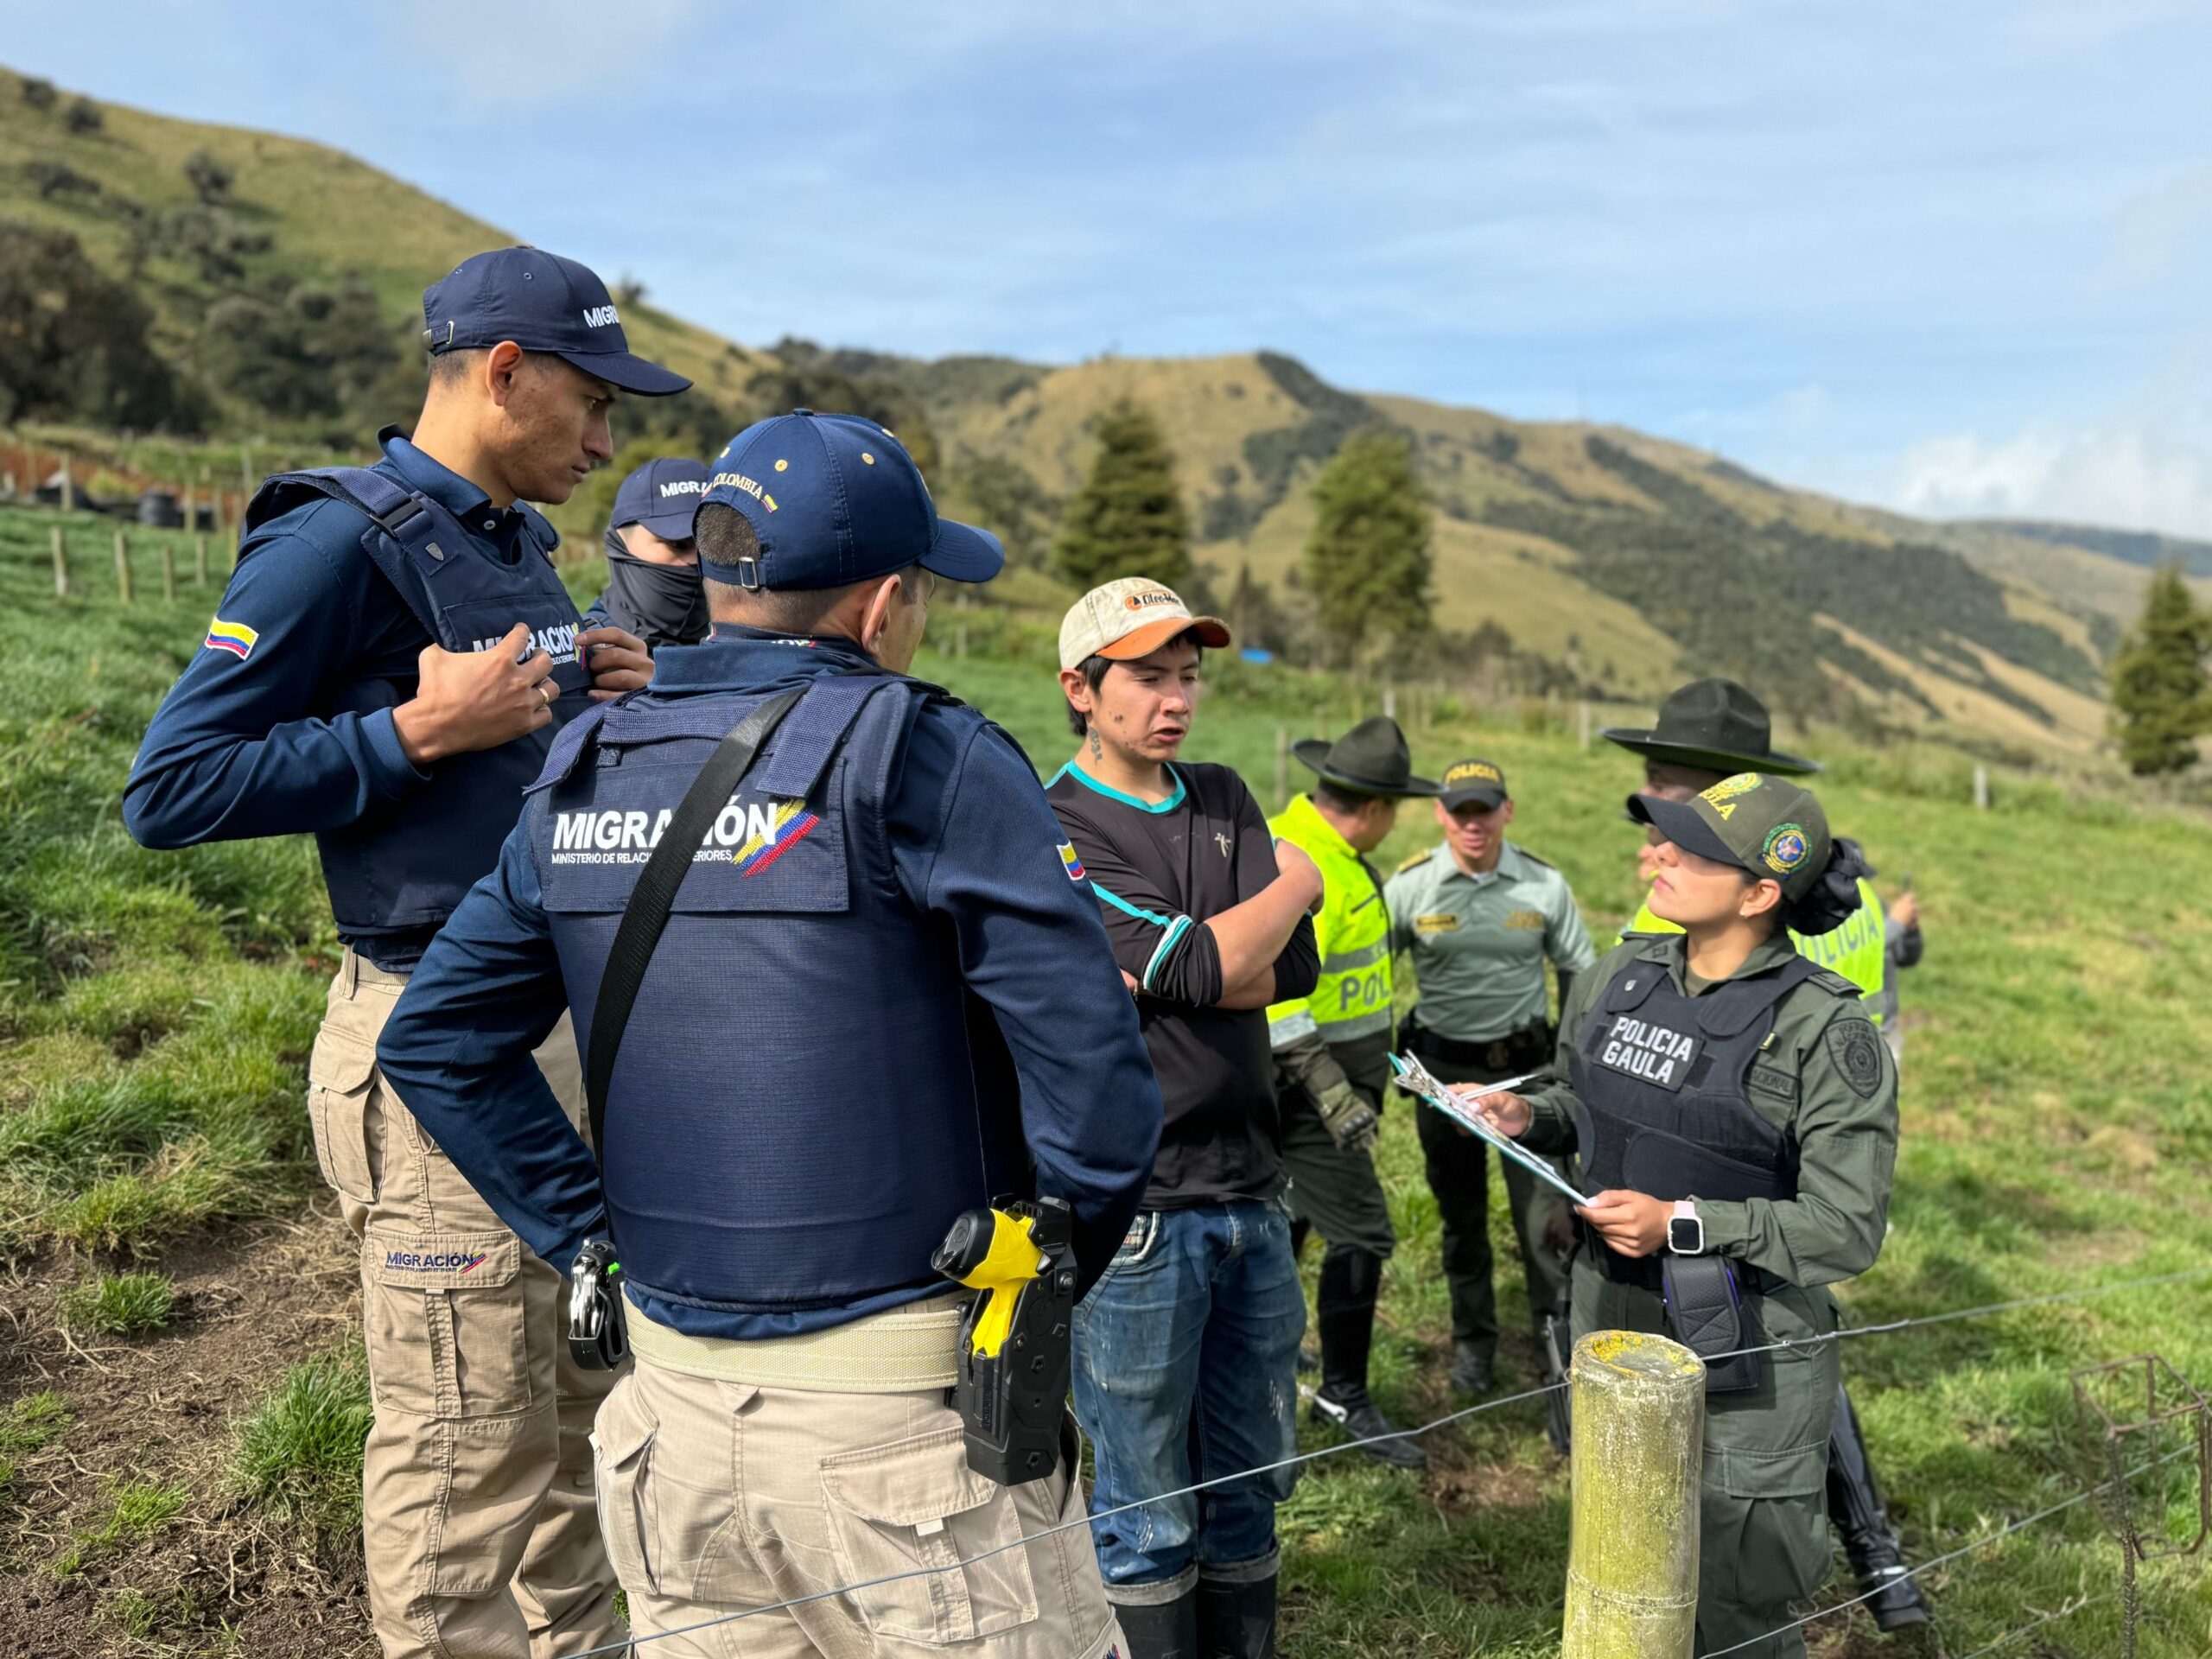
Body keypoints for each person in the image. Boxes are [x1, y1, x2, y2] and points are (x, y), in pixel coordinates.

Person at [376, 410, 1160, 1659]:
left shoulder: (586, 761)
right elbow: (1097, 1078)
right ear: (883, 603)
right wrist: (1046, 1274)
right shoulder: (924, 752)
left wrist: (589, 1236)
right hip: (912, 1445)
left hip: (667, 1432)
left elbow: (432, 1042)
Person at [124, 246, 686, 1659]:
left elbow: (514, 772)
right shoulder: (332, 542)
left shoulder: (514, 545)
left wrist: (592, 696)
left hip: (562, 1038)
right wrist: (412, 734)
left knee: (576, 1406)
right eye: (595, 402)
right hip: (434, 1048)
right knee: (464, 1439)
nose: (611, 441)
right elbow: (170, 789)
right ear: (504, 375)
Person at [1470, 772, 1897, 1659]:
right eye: (1666, 836)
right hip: (1611, 1318)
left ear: (1758, 892)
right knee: (1621, 1567)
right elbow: (1576, 1096)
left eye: (1692, 849)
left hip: (1746, 1349)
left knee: (1734, 1603)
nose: (1658, 855)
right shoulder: (1614, 978)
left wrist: (1683, 1223)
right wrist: (1529, 1114)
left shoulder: (1824, 1031)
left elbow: (1845, 1227)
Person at [1601, 679, 1929, 1630]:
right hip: (1752, 1180)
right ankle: (1871, 1550)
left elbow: (1828, 1047)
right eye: (1657, 784)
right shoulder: (1829, 887)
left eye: (1679, 788)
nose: (1661, 819)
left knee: (1785, 1359)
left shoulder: (1731, 907)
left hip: (1763, 1186)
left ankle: (1848, 1546)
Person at [1047, 577, 1321, 1659]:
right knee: (1147, 1495)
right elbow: (1196, 960)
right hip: (1141, 1205)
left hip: (1253, 1188)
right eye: (1148, 677)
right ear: (1082, 687)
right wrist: (1289, 882)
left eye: (1188, 676)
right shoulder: (1054, 823)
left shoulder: (1219, 792)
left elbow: (1273, 972)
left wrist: (1227, 947)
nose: (1175, 700)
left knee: (1251, 1475)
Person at [1385, 756, 1594, 1400]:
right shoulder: (1411, 887)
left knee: (1546, 1221)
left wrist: (1573, 1068)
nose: (1473, 823)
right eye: (1460, 811)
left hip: (1525, 1081)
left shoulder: (1542, 884)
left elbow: (1581, 975)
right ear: (1441, 815)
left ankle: (1558, 1350)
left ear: (1507, 811)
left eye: (1485, 809)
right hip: (1444, 1082)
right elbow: (1363, 972)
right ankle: (1474, 1346)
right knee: (1461, 1221)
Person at [1262, 718, 1440, 1467]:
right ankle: (1344, 1393)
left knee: (1290, 1214)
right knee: (1363, 1229)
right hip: (1303, 1089)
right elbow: (1275, 997)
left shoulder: (1309, 838)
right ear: (1372, 807)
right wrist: (1334, 1093)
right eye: (1394, 805)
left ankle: (1269, 1352)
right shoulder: (1313, 866)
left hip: (1320, 1081)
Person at [581, 454, 710, 647]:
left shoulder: (744, 651)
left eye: (711, 546)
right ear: (620, 544)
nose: (697, 561)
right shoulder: (586, 655)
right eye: (678, 544)